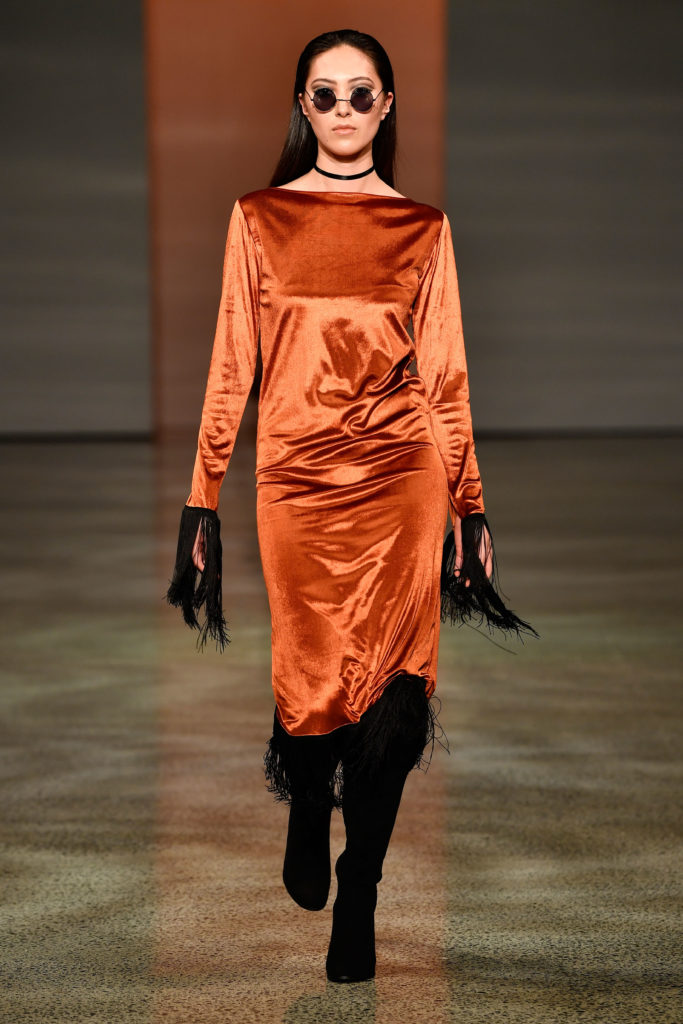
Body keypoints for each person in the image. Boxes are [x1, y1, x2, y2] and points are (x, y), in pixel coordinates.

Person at [166, 28, 538, 984]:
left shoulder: (422, 229)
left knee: (398, 693)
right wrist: (201, 498)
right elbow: (230, 366)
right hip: (293, 482)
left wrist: (469, 505)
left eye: (357, 94)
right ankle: (306, 798)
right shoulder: (258, 219)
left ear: (385, 109)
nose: (340, 111)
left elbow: (446, 379)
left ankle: (360, 890)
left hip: (401, 476)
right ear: (302, 108)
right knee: (310, 674)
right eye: (322, 96)